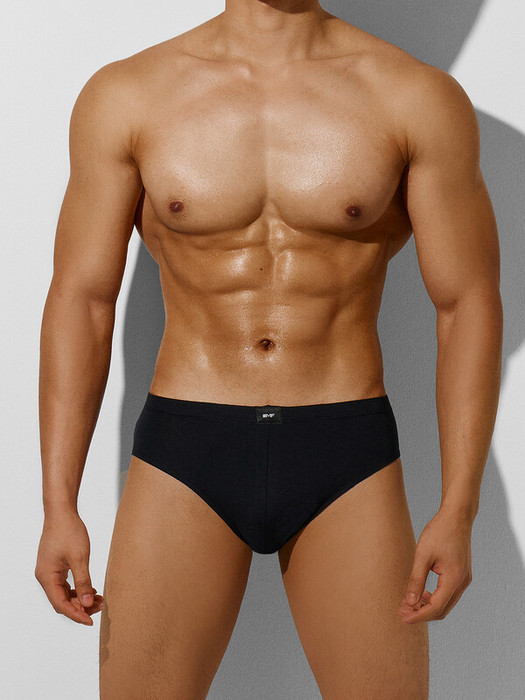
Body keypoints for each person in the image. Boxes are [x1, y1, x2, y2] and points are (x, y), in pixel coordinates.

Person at [35, 1, 503, 698]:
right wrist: (58, 503)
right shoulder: (129, 94)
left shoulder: (413, 97)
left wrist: (458, 508)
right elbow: (83, 299)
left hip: (345, 449)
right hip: (185, 449)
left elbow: (466, 304)